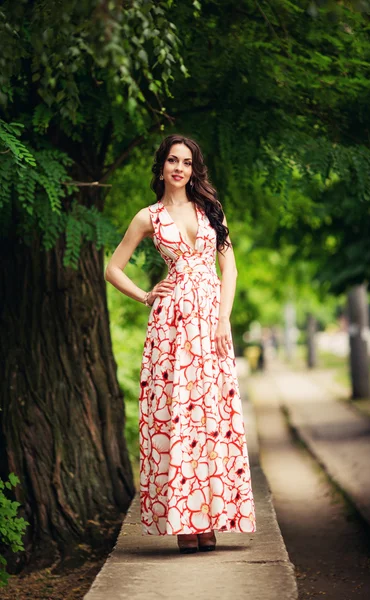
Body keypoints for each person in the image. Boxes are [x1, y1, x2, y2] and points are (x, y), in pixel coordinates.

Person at [105, 134, 256, 554]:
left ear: (193, 169)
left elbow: (231, 269)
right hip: (170, 328)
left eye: (187, 162)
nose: (179, 168)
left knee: (212, 417)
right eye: (173, 160)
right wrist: (146, 295)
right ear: (162, 167)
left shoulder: (211, 209)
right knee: (178, 419)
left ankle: (211, 519)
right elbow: (112, 269)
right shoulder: (147, 217)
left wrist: (223, 318)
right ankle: (185, 523)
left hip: (211, 321)